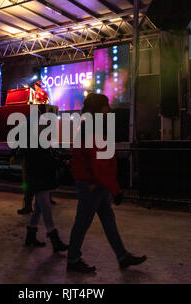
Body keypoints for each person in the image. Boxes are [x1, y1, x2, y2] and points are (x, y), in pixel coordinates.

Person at [67, 93, 147, 274]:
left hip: (95, 184)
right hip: (93, 185)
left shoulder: (88, 127)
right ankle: (73, 259)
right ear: (98, 108)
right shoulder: (94, 129)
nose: (109, 109)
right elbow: (100, 165)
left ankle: (122, 255)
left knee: (106, 221)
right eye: (106, 106)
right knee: (83, 223)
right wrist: (116, 190)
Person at [23, 109, 68, 253]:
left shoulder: (37, 139)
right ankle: (54, 239)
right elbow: (44, 161)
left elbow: (48, 157)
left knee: (39, 208)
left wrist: (60, 159)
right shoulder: (35, 141)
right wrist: (62, 162)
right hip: (39, 179)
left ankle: (30, 235)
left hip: (39, 179)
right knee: (46, 209)